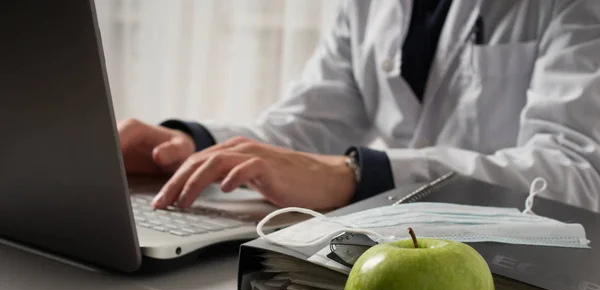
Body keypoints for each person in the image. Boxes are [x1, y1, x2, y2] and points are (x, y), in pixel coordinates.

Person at [118, 0, 600, 213]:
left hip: (534, 281)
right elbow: (306, 127)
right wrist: (193, 146)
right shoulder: (367, 5)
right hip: (394, 255)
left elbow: (576, 174)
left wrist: (358, 175)